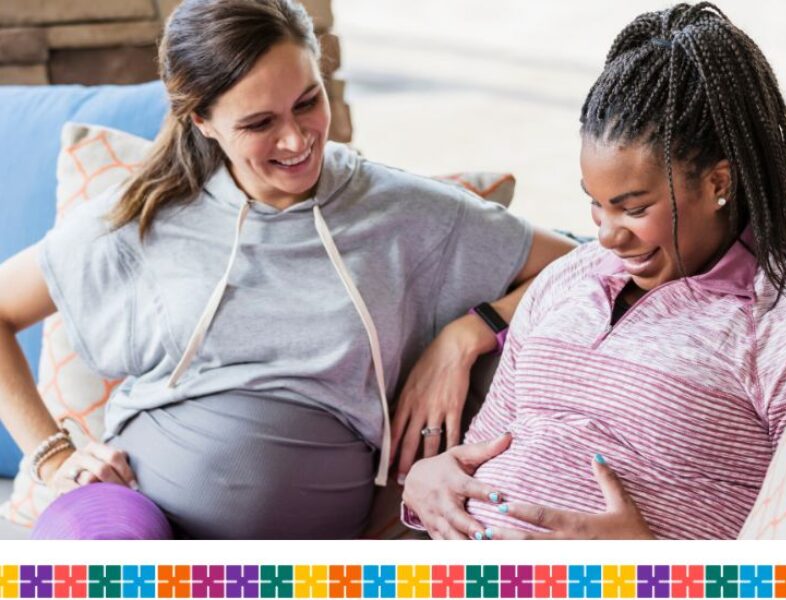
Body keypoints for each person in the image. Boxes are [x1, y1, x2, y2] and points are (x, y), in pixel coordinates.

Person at [0, 0, 574, 539]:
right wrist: (54, 456)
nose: (297, 139)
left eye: (307, 101)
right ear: (202, 119)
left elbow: (584, 262)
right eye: (258, 123)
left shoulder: (403, 212)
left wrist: (467, 331)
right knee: (103, 570)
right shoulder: (146, 214)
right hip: (132, 505)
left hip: (305, 548)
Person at [401, 1, 786, 540]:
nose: (608, 236)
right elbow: (478, 454)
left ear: (718, 184)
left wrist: (649, 564)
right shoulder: (568, 280)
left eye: (635, 208)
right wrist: (429, 480)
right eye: (597, 204)